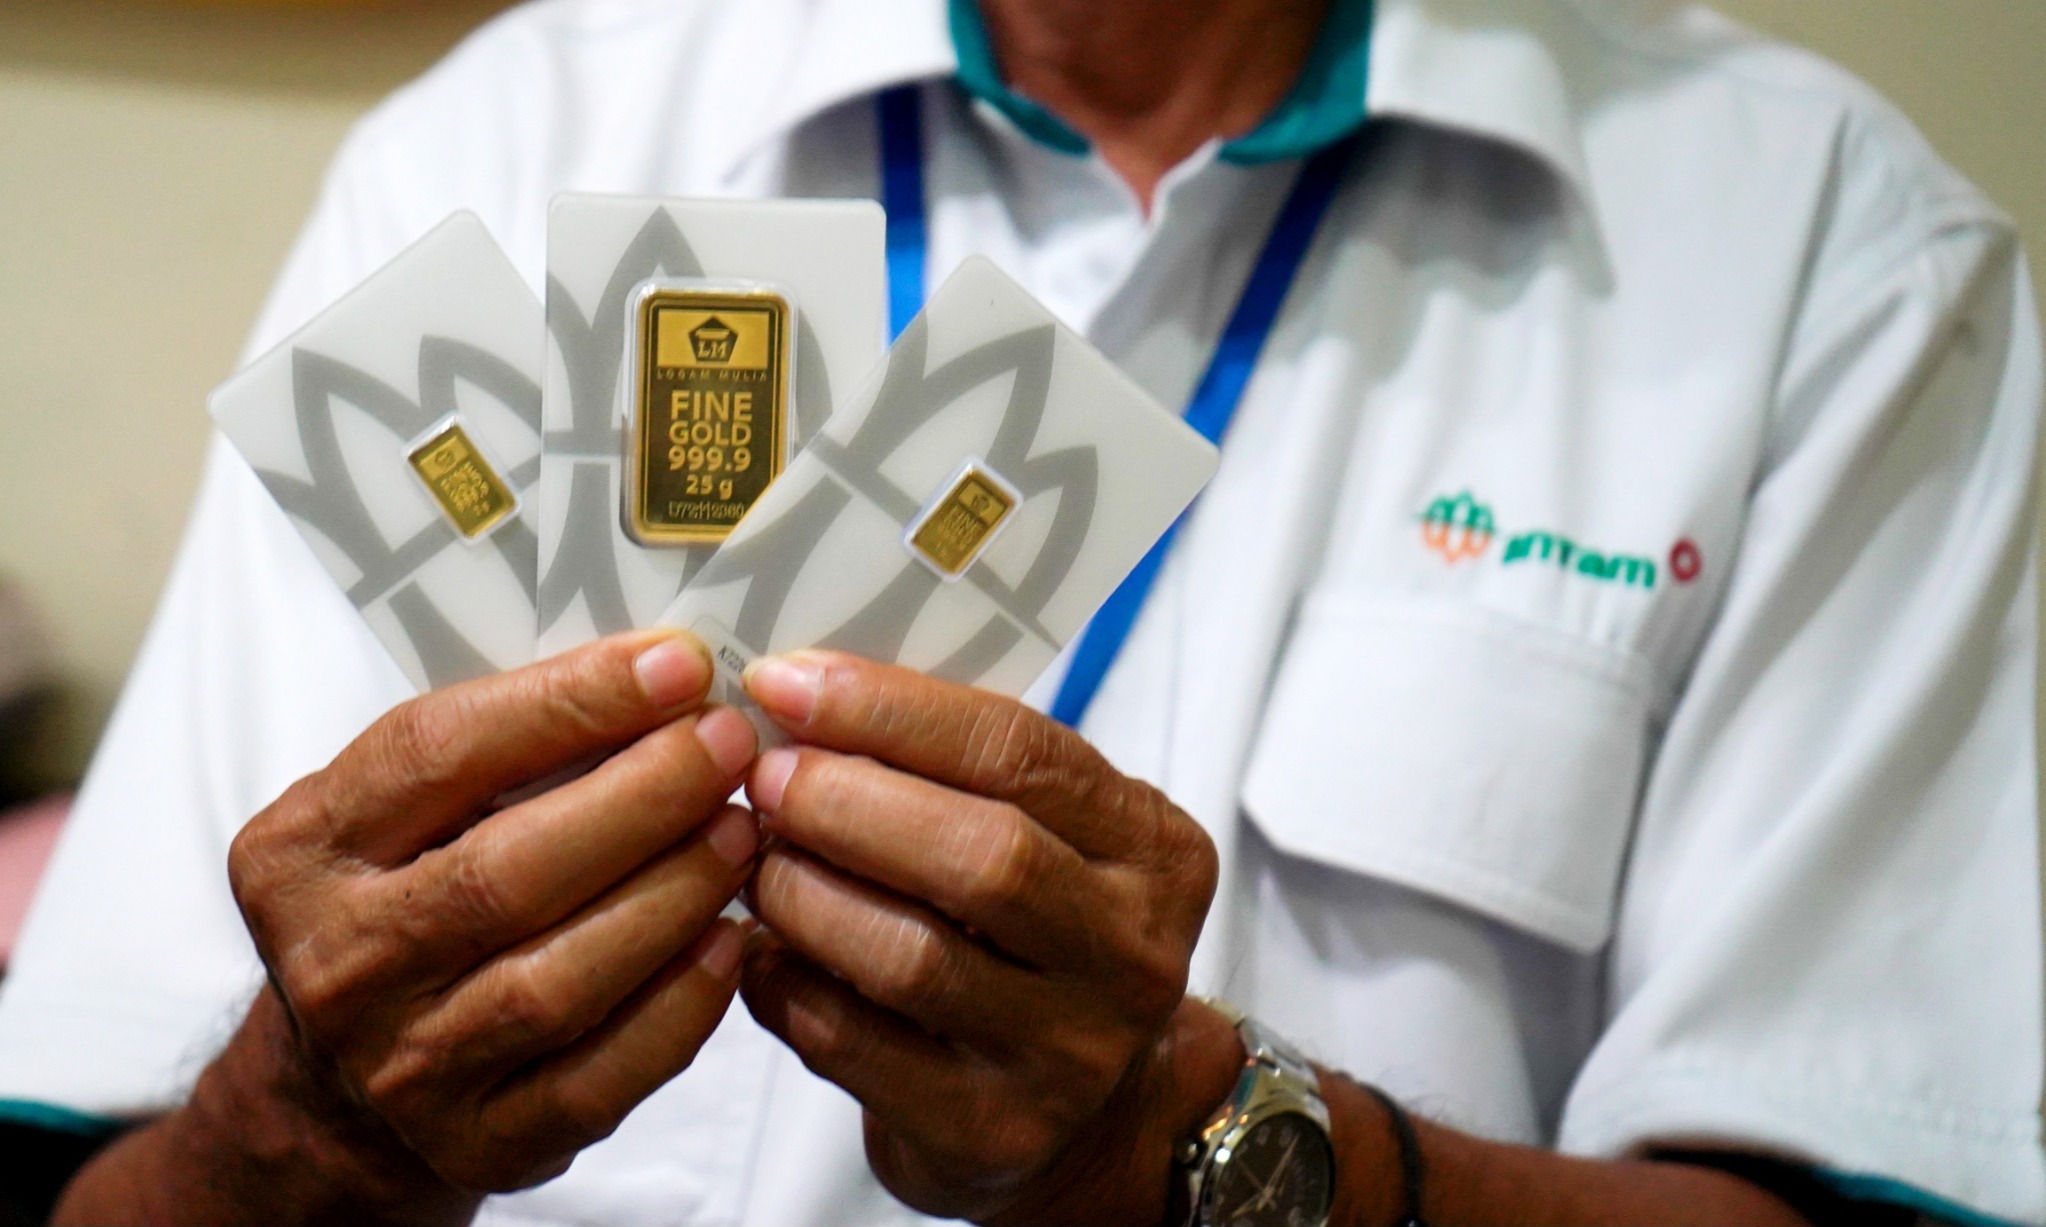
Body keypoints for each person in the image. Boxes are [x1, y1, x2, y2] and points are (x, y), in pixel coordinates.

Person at [0, 0, 2039, 1223]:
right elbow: (98, 1169)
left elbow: (1865, 1172)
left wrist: (1179, 1150)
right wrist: (312, 1134)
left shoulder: (1824, 256)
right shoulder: (496, 147)